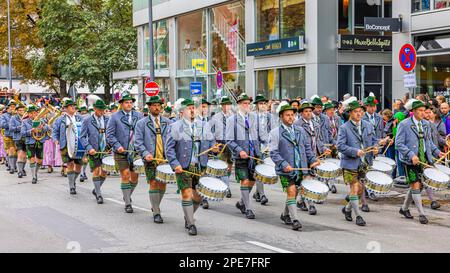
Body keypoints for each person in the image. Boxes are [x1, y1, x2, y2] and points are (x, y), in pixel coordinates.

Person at [166, 98, 219, 236]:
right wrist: (175, 164)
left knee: (198, 197)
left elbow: (211, 141)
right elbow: (169, 149)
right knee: (186, 194)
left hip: (200, 165)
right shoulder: (175, 126)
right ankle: (191, 223)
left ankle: (187, 215)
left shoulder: (204, 125)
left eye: (193, 108)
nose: (191, 110)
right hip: (183, 166)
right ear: (181, 112)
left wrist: (214, 148)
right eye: (188, 108)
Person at [269, 101, 320, 231]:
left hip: (301, 167)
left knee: (294, 192)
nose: (291, 117)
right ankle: (295, 220)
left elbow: (307, 148)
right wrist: (284, 164)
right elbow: (273, 153)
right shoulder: (275, 132)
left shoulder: (300, 130)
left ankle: (285, 214)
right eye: (287, 115)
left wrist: (313, 160)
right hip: (285, 169)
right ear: (281, 117)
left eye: (292, 115)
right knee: (291, 191)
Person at [337, 96, 386, 226]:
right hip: (350, 163)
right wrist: (355, 151)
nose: (359, 113)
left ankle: (347, 209)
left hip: (364, 163)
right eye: (355, 111)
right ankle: (358, 216)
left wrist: (376, 147)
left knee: (360, 190)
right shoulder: (344, 128)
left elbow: (374, 141)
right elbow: (340, 146)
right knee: (355, 188)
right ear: (350, 113)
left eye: (360, 111)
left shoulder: (368, 125)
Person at [396, 99, 445, 224]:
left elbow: (428, 142)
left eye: (424, 111)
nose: (423, 113)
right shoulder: (404, 124)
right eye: (420, 111)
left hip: (424, 159)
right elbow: (399, 144)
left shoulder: (426, 124)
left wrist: (437, 152)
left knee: (418, 185)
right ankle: (421, 214)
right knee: (415, 184)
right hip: (409, 161)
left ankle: (404, 208)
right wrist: (411, 155)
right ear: (413, 111)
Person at [135, 95, 171, 223]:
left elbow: (172, 140)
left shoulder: (168, 122)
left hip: (165, 159)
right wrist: (145, 154)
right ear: (149, 107)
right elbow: (138, 142)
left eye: (158, 105)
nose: (157, 107)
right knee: (154, 183)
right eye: (154, 105)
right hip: (150, 159)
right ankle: (156, 211)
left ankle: (155, 204)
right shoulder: (141, 123)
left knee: (162, 185)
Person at [106, 91, 144, 213]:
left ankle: (126, 194)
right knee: (126, 175)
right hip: (121, 152)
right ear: (121, 104)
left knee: (134, 178)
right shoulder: (114, 117)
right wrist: (117, 146)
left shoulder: (139, 116)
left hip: (136, 152)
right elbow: (110, 135)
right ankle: (128, 203)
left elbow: (144, 133)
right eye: (126, 102)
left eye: (130, 102)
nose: (129, 104)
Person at [227, 93, 262, 219]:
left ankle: (242, 203)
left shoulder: (254, 117)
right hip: (241, 156)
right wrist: (239, 150)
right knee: (245, 180)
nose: (247, 105)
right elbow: (229, 140)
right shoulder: (232, 120)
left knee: (252, 181)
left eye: (248, 103)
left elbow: (259, 135)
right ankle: (248, 208)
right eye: (244, 103)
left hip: (254, 155)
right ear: (239, 105)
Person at [294, 102, 331, 214]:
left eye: (310, 111)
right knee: (307, 179)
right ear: (301, 113)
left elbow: (318, 140)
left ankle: (301, 200)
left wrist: (324, 149)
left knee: (310, 178)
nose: (308, 113)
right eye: (306, 111)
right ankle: (311, 205)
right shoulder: (297, 125)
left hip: (313, 155)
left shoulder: (315, 124)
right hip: (302, 156)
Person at [80, 98, 109, 204]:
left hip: (106, 150)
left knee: (104, 172)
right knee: (96, 171)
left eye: (103, 110)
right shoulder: (87, 120)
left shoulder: (107, 120)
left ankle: (96, 189)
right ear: (95, 109)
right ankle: (99, 194)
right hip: (93, 150)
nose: (102, 112)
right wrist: (89, 148)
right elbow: (82, 137)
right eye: (100, 110)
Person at [52, 98, 84, 195]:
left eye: (74, 106)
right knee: (70, 164)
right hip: (65, 143)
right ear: (66, 108)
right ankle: (71, 186)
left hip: (78, 143)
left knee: (79, 166)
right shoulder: (60, 119)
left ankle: (72, 180)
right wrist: (55, 139)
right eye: (71, 106)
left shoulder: (79, 118)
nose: (73, 107)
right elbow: (55, 131)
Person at [209, 96, 233, 198]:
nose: (227, 107)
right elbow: (211, 131)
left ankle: (223, 182)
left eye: (229, 105)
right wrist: (214, 143)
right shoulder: (216, 117)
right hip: (221, 144)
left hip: (231, 144)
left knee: (229, 166)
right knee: (222, 165)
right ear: (222, 106)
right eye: (225, 105)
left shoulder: (234, 116)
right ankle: (226, 188)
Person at [21, 105, 49, 184]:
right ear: (28, 114)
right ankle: (33, 176)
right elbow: (22, 133)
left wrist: (42, 128)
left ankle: (35, 172)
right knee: (32, 159)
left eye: (34, 113)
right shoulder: (25, 122)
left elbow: (49, 128)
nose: (33, 114)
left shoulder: (41, 120)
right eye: (31, 113)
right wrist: (31, 131)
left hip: (40, 142)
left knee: (40, 161)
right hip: (30, 142)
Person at [252, 94, 271, 205]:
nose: (263, 105)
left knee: (262, 169)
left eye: (264, 103)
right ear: (257, 105)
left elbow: (273, 131)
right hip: (256, 146)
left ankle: (257, 192)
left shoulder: (270, 117)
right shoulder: (252, 116)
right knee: (258, 169)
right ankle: (262, 194)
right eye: (260, 103)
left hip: (267, 147)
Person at [9, 103, 28, 178]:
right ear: (17, 111)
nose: (21, 111)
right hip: (18, 138)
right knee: (20, 153)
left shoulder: (27, 117)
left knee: (25, 155)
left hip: (27, 138)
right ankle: (19, 171)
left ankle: (22, 169)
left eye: (23, 110)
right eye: (20, 110)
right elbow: (11, 128)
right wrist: (20, 127)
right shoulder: (13, 118)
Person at [1, 101, 17, 174]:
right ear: (8, 108)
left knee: (16, 152)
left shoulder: (17, 115)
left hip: (17, 135)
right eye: (11, 107)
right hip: (8, 135)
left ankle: (14, 165)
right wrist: (12, 120)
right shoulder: (4, 116)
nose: (13, 108)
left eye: (14, 107)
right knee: (11, 150)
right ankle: (12, 167)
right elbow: (2, 125)